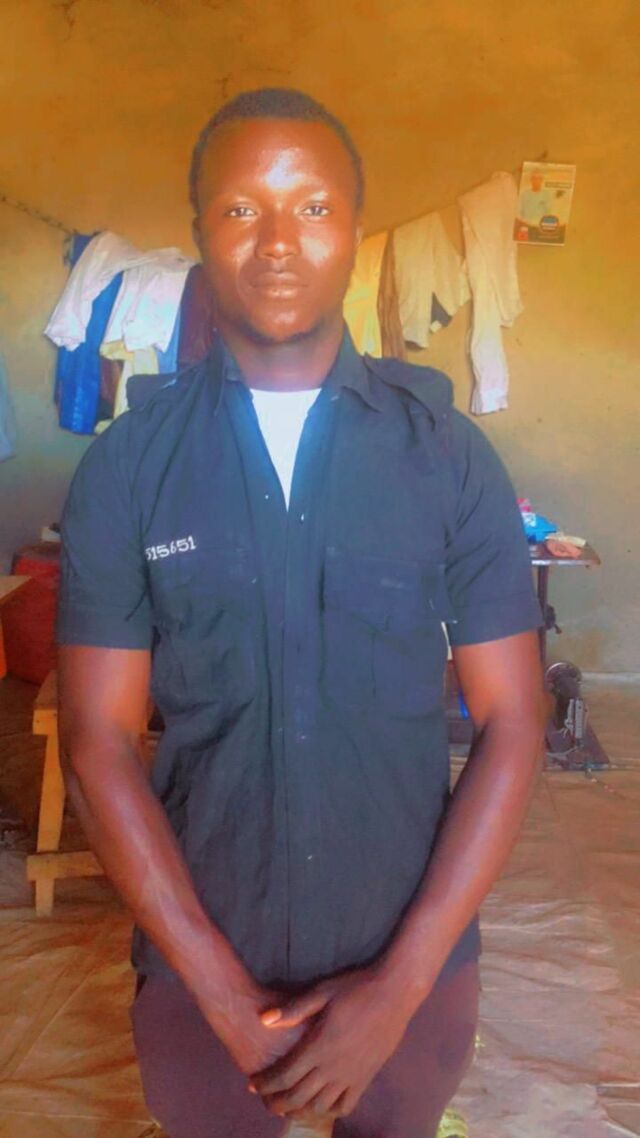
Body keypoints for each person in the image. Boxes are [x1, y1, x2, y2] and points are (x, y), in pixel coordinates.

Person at [56, 88, 544, 1138]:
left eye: (313, 207)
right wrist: (221, 994)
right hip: (199, 962)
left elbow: (514, 720)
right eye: (241, 209)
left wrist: (400, 986)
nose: (277, 241)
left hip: (411, 963)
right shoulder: (129, 467)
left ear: (354, 229)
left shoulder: (445, 456)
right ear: (199, 233)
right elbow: (96, 738)